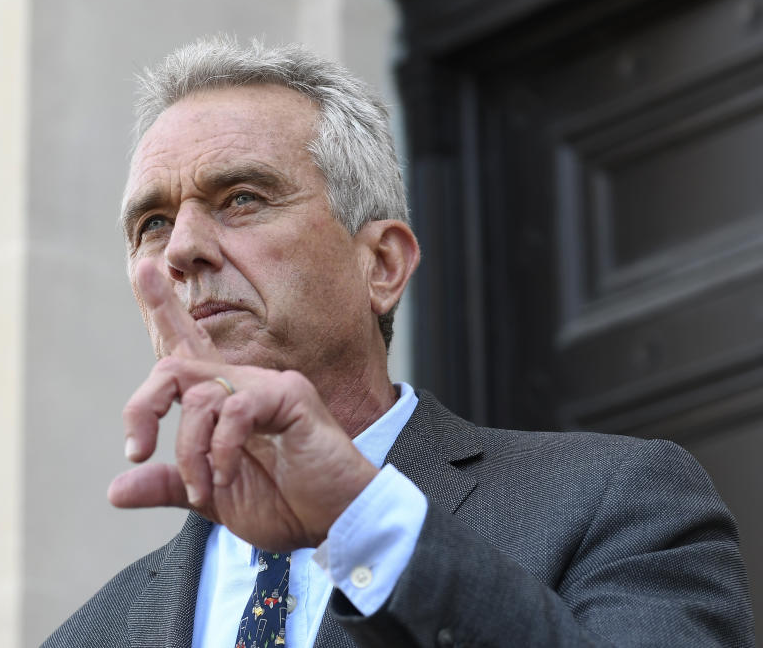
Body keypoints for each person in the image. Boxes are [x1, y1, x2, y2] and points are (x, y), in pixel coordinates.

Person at [44, 37, 754, 647]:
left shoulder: (613, 504)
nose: (184, 250)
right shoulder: (86, 634)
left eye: (242, 199)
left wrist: (360, 519)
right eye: (154, 224)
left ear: (381, 265)